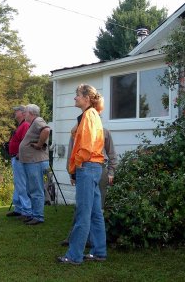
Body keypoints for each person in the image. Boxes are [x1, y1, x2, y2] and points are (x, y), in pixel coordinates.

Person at [57, 84, 106, 265]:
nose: (75, 98)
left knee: (83, 213)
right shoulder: (92, 115)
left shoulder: (89, 115)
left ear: (86, 98)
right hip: (94, 167)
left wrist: (76, 167)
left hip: (87, 167)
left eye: (77, 95)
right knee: (94, 213)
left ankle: (74, 255)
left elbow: (85, 147)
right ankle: (99, 252)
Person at [60, 124, 117, 246]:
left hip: (101, 171)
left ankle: (93, 240)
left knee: (98, 208)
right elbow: (71, 154)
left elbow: (111, 153)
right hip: (82, 170)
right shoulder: (77, 132)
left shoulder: (104, 132)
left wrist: (111, 172)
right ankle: (73, 238)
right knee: (80, 206)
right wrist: (72, 174)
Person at [19, 104, 50, 225]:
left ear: (31, 113)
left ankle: (38, 216)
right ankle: (34, 214)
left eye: (25, 112)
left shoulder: (38, 120)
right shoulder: (34, 123)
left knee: (36, 190)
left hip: (35, 161)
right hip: (31, 161)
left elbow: (46, 130)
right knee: (31, 189)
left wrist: (39, 144)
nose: (24, 114)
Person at [6, 105, 32, 219]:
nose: (15, 113)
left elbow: (26, 141)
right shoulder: (21, 125)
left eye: (16, 111)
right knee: (18, 184)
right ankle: (18, 208)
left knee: (21, 185)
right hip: (16, 158)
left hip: (19, 159)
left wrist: (20, 154)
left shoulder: (25, 125)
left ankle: (26, 210)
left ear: (22, 113)